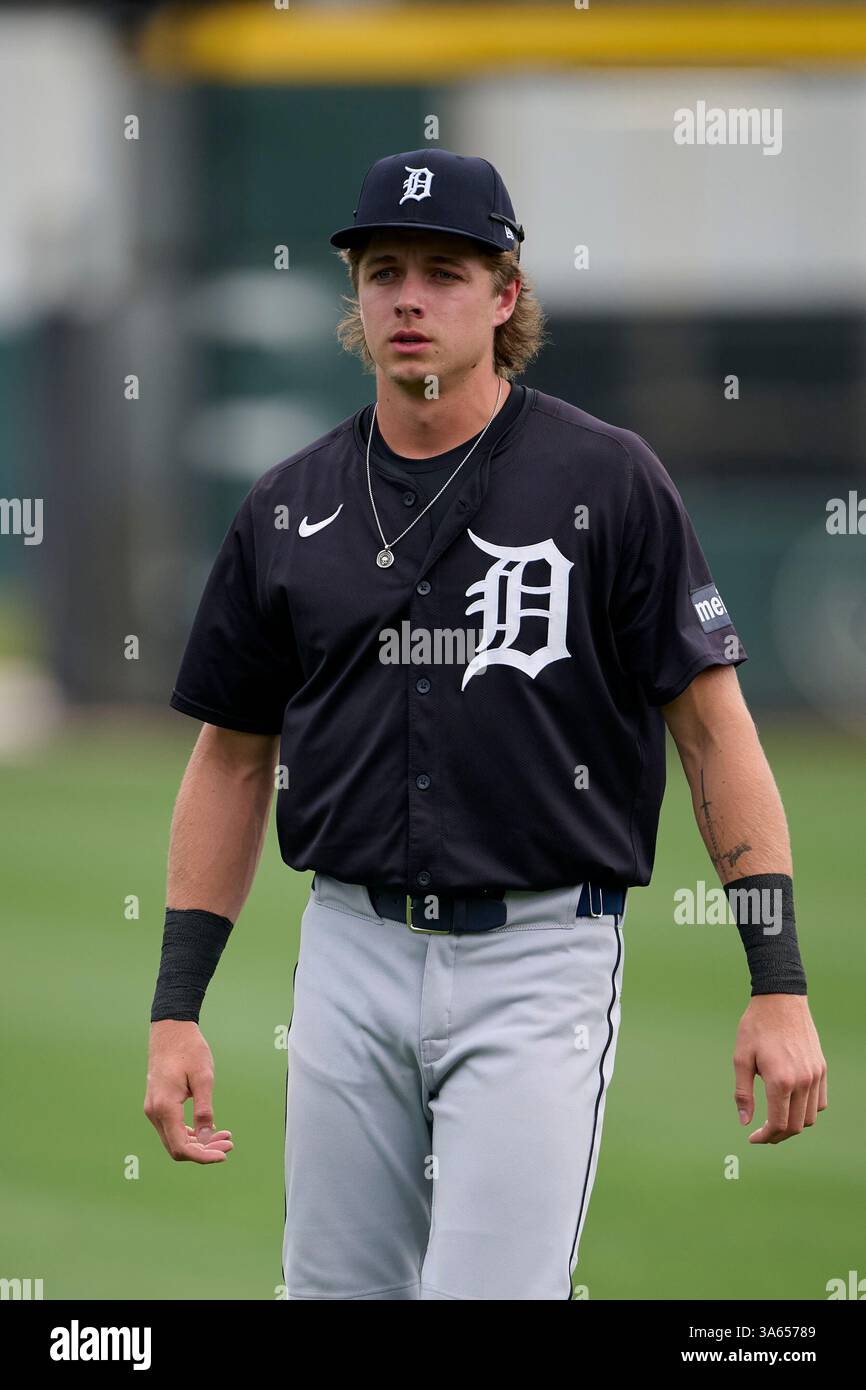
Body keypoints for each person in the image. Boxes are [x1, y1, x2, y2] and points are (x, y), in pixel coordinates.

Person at [145, 149, 827, 1301]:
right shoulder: (286, 505)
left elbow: (713, 734)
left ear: (505, 294)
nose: (409, 297)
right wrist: (177, 1007)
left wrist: (777, 979)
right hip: (350, 952)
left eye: (445, 272)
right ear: (355, 297)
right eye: (383, 269)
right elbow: (231, 756)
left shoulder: (608, 481)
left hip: (540, 956)